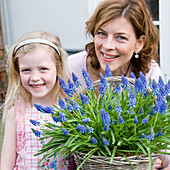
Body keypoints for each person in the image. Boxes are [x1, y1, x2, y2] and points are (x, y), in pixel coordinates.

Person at [67, 0, 169, 169]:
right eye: (101, 33)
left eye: (120, 37)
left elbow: (160, 136)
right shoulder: (72, 68)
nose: (107, 46)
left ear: (139, 43)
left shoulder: (149, 73)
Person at [0, 31, 76, 169]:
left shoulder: (70, 110)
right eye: (26, 70)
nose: (35, 77)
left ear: (57, 69)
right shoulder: (17, 112)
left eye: (43, 69)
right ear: (18, 72)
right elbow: (6, 162)